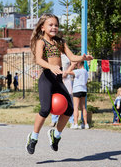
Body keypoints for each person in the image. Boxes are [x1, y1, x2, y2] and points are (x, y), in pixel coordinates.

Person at [25, 13, 93, 154]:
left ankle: (55, 135)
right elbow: (38, 60)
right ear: (42, 27)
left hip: (58, 77)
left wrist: (83, 57)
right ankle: (33, 137)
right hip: (47, 77)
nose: (54, 27)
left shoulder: (60, 42)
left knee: (68, 109)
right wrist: (51, 67)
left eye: (56, 25)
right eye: (50, 25)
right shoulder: (41, 42)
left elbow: (72, 57)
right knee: (45, 109)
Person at [50, 53, 74, 127]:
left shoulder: (67, 55)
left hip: (66, 79)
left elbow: (72, 64)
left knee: (69, 99)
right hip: (57, 78)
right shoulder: (54, 55)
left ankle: (71, 120)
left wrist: (66, 72)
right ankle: (54, 120)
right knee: (56, 98)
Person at [66, 61, 89, 129]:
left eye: (76, 64)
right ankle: (86, 124)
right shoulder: (85, 71)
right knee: (83, 107)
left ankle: (75, 123)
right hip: (83, 89)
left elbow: (68, 71)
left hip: (77, 89)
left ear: (79, 64)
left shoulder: (78, 71)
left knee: (75, 107)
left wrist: (72, 65)